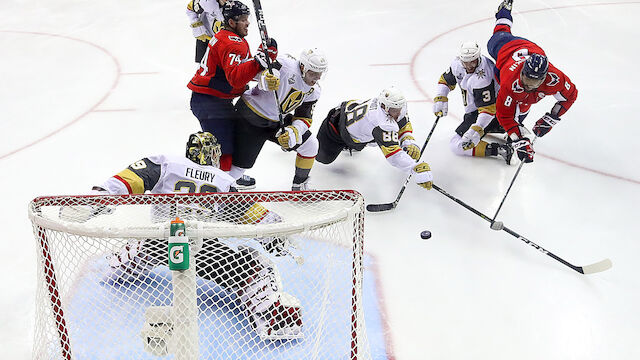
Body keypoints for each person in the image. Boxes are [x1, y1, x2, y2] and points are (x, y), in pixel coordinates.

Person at [67, 132, 303, 340]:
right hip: (202, 249)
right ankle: (274, 319)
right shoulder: (223, 180)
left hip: (159, 241)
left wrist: (96, 199)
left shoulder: (167, 163)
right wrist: (275, 231)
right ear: (214, 154)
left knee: (142, 242)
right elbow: (245, 211)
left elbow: (132, 180)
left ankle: (118, 267)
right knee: (257, 267)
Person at [187, 0, 279, 189]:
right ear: (231, 22)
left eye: (248, 19)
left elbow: (241, 72)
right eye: (243, 20)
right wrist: (258, 62)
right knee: (223, 150)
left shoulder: (227, 36)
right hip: (210, 103)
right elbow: (236, 79)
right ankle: (220, 189)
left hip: (213, 100)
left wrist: (262, 60)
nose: (248, 23)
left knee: (229, 143)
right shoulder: (233, 43)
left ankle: (227, 177)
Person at [487, 0, 578, 163]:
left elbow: (570, 96)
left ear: (544, 78)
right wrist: (518, 139)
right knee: (499, 33)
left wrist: (552, 117)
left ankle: (514, 134)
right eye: (526, 79)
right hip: (506, 48)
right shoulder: (511, 82)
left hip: (531, 48)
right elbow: (504, 115)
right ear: (522, 71)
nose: (528, 85)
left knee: (522, 107)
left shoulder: (554, 79)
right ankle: (504, 11)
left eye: (533, 82)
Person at [230, 48, 327, 190]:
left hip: (277, 120)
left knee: (310, 145)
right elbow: (248, 73)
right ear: (302, 67)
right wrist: (264, 79)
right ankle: (223, 189)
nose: (317, 77)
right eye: (313, 73)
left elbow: (304, 117)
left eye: (320, 74)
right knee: (239, 167)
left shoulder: (314, 90)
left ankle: (298, 187)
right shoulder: (284, 64)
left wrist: (294, 130)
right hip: (250, 116)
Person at [316, 87, 434, 190]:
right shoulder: (380, 121)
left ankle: (354, 143)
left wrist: (408, 141)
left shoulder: (393, 106)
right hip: (335, 129)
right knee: (321, 158)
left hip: (355, 124)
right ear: (384, 107)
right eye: (394, 110)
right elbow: (394, 155)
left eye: (399, 109)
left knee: (375, 135)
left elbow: (402, 123)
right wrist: (414, 167)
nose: (398, 113)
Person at [433, 41, 513, 164]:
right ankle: (501, 127)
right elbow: (446, 80)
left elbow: (488, 110)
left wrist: (477, 128)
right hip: (477, 110)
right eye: (466, 62)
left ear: (478, 57)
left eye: (473, 61)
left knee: (456, 145)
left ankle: (499, 149)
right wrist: (441, 96)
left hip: (491, 111)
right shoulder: (457, 64)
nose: (469, 66)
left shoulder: (484, 76)